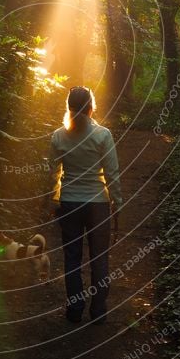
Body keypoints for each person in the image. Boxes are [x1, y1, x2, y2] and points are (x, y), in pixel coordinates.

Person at [48, 86, 123, 325]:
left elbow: (53, 173)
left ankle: (74, 310)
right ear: (92, 106)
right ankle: (98, 311)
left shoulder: (58, 136)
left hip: (69, 203)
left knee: (72, 258)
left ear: (68, 107)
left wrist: (53, 200)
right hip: (98, 205)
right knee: (100, 258)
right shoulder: (103, 135)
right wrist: (117, 202)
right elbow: (112, 173)